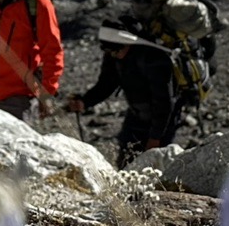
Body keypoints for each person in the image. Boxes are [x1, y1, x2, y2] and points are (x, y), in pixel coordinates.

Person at [66, 20, 185, 167]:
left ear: (127, 43)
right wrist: (85, 101)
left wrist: (155, 137)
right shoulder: (114, 54)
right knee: (126, 164)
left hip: (163, 121)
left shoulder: (154, 58)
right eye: (110, 52)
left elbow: (164, 102)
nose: (113, 55)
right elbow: (106, 84)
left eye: (115, 51)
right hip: (136, 117)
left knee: (155, 166)